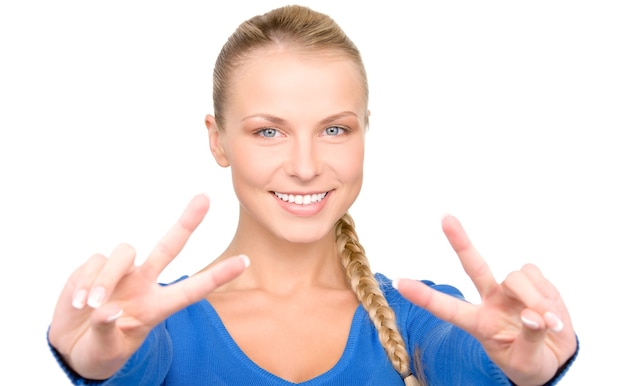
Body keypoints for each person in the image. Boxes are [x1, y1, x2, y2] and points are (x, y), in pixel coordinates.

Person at [47, 4, 579, 385]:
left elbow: (468, 360)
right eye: (268, 131)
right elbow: (131, 363)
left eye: (334, 130)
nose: (304, 167)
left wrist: (517, 367)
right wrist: (101, 364)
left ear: (364, 133)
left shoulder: (415, 317)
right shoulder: (158, 327)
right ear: (218, 139)